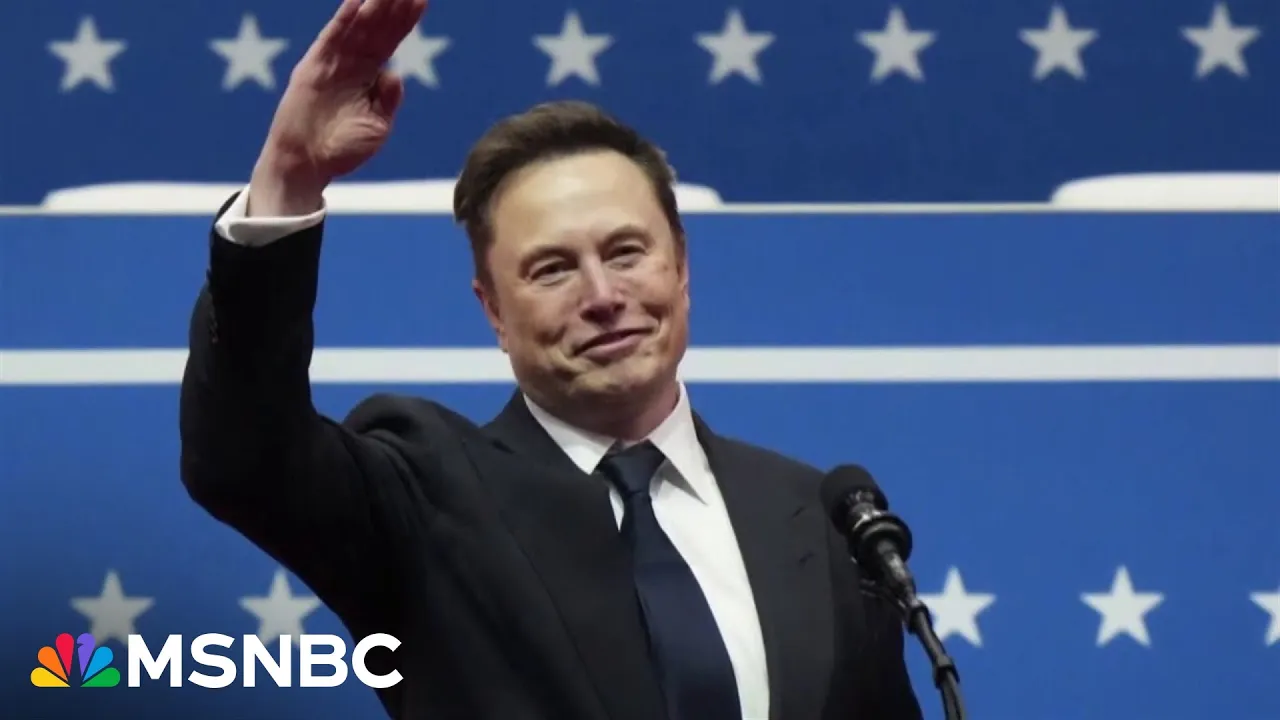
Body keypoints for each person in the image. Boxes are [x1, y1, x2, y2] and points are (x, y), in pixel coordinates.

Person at [179, 0, 924, 718]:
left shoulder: (821, 520)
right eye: (553, 269)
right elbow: (242, 457)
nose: (602, 296)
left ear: (681, 268)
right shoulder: (425, 499)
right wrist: (288, 177)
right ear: (494, 312)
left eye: (626, 252)